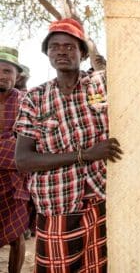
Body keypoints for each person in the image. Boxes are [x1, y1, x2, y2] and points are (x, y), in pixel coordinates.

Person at [14, 18, 123, 272]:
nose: (62, 51)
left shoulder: (104, 85)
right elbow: (23, 160)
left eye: (70, 46)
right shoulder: (35, 98)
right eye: (55, 46)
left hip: (102, 200)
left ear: (83, 53)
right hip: (57, 204)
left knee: (103, 266)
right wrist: (84, 155)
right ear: (47, 53)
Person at [0, 46, 29, 273]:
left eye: (8, 71)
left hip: (15, 182)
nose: (2, 76)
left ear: (16, 76)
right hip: (12, 168)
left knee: (17, 234)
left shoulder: (24, 101)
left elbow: (28, 141)